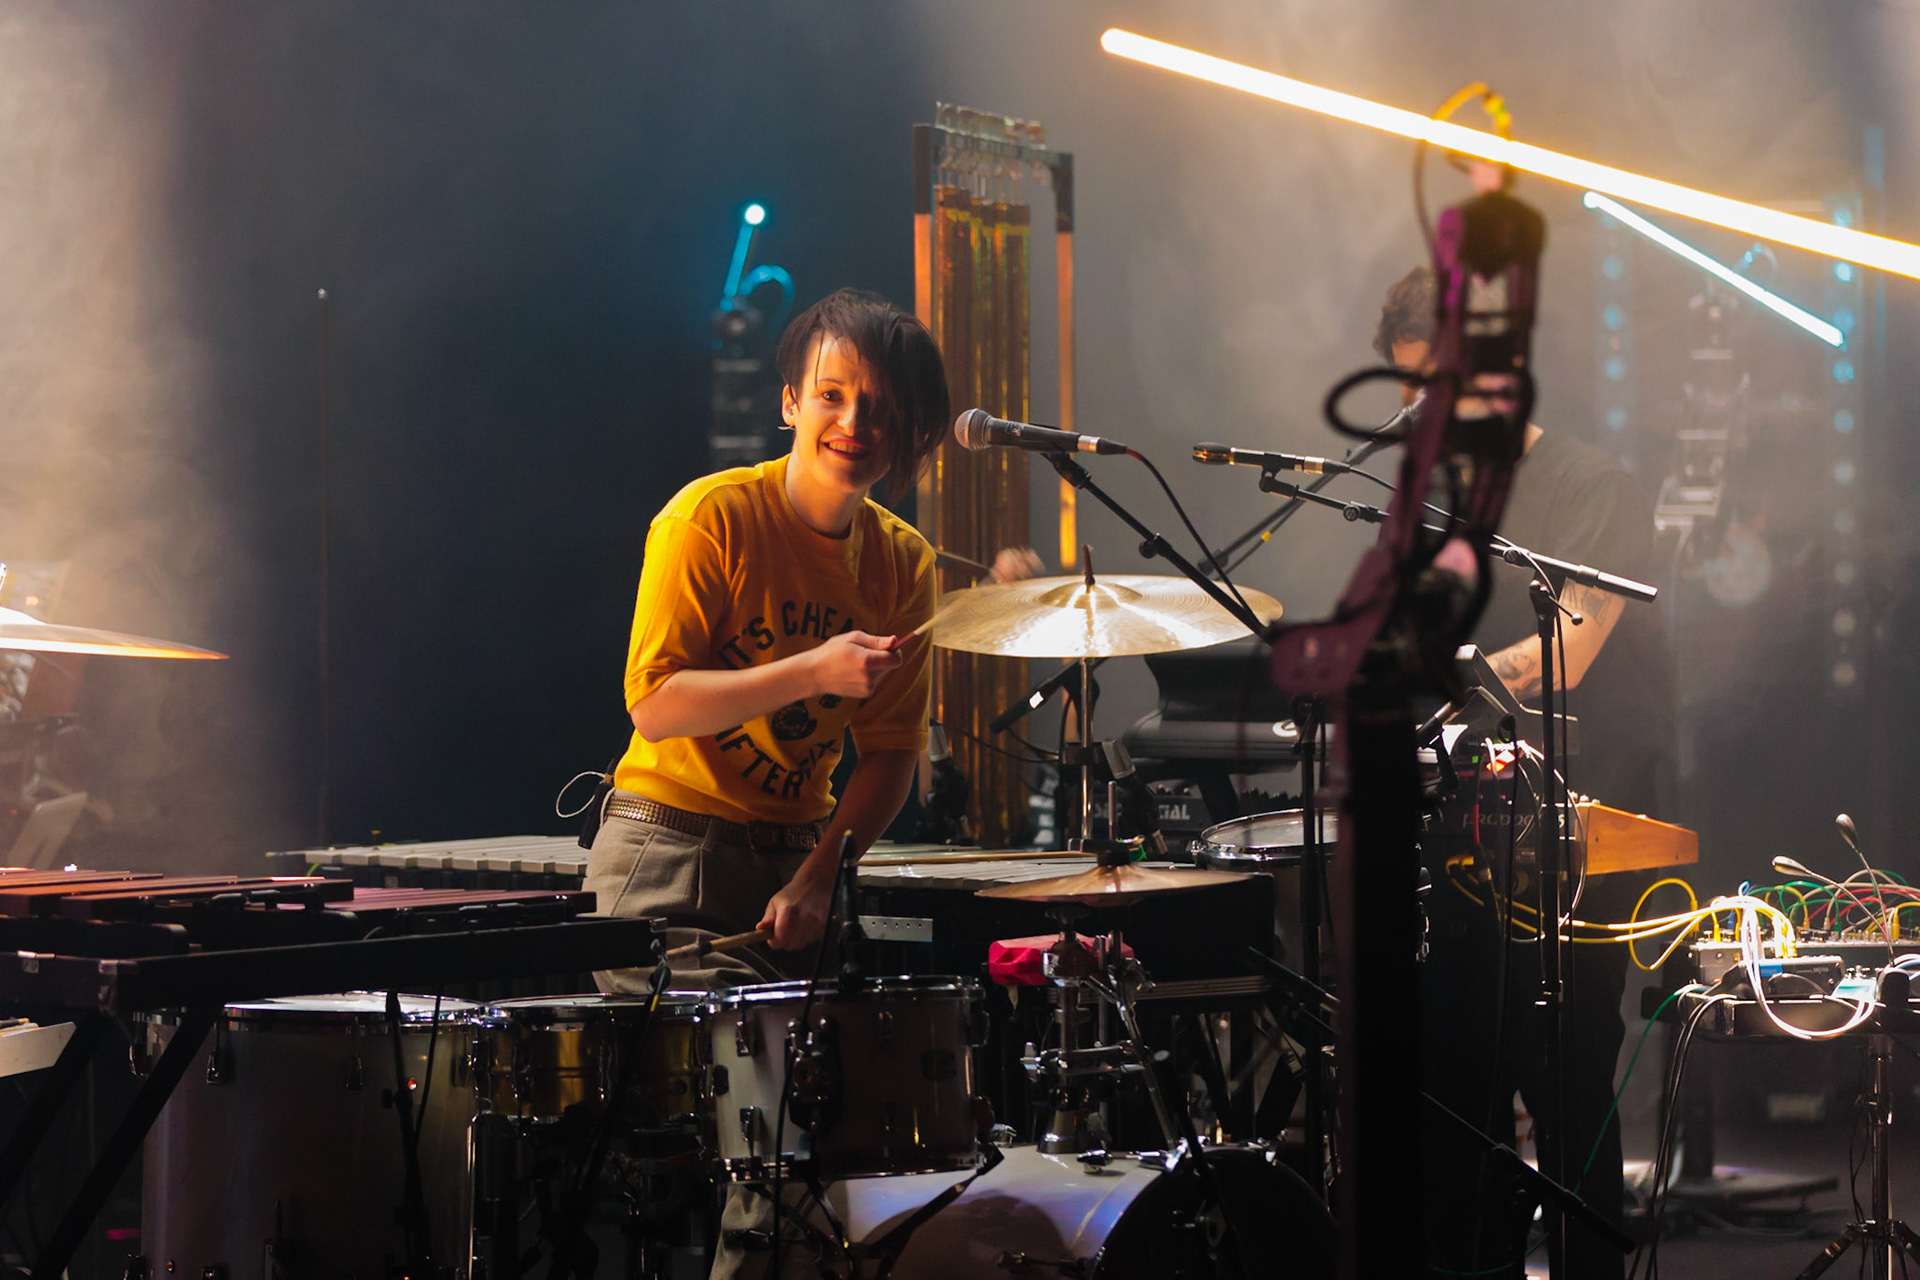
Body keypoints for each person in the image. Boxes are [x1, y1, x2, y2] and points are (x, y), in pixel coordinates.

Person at [1375, 266, 1676, 1280]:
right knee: (1456, 1089)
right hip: (1466, 836)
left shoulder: (1594, 486)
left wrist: (1432, 680)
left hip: (1580, 834)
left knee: (1567, 1080)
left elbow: (1570, 649)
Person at [585, 287, 950, 991]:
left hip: (798, 867)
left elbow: (891, 753)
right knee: (743, 1055)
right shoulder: (709, 518)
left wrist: (820, 877)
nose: (853, 422)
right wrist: (812, 672)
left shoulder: (904, 562)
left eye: (880, 407)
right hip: (669, 851)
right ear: (790, 404)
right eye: (831, 396)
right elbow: (654, 706)